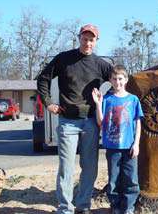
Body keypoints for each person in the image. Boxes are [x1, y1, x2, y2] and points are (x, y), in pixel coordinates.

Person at [37, 24, 113, 214]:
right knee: (66, 167)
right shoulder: (64, 59)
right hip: (67, 121)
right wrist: (48, 103)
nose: (88, 42)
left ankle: (83, 204)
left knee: (90, 166)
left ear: (96, 41)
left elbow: (119, 82)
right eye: (85, 38)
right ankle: (65, 208)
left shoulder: (101, 64)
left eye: (92, 39)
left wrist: (104, 104)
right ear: (79, 38)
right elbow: (43, 79)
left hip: (90, 123)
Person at [92, 65, 144, 214]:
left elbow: (138, 123)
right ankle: (115, 207)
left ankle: (128, 208)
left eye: (120, 79)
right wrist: (97, 104)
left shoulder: (133, 100)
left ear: (126, 80)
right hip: (112, 147)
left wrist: (136, 143)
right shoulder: (107, 99)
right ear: (110, 80)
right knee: (113, 179)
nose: (117, 82)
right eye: (114, 79)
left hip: (129, 147)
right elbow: (101, 122)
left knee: (131, 179)